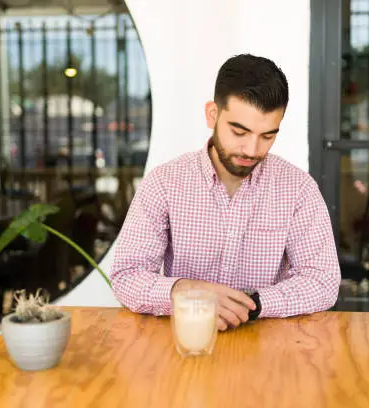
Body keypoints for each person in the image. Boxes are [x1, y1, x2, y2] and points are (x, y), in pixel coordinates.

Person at [109, 54, 341, 331]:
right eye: (239, 132)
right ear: (213, 114)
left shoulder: (298, 189)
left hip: (267, 349)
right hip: (185, 344)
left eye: (267, 136)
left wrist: (250, 305)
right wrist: (186, 292)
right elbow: (126, 275)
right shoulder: (165, 183)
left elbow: (322, 281)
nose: (252, 150)